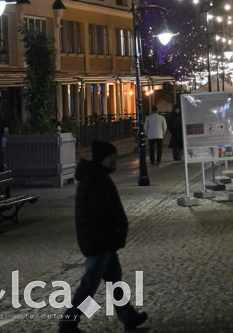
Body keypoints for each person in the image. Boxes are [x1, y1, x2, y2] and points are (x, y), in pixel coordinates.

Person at [59, 141, 148, 332]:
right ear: (104, 158)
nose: (114, 160)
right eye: (112, 157)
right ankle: (69, 321)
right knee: (89, 284)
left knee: (115, 280)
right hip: (99, 240)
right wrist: (115, 228)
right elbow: (101, 211)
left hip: (103, 240)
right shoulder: (94, 179)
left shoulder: (97, 176)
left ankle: (128, 317)